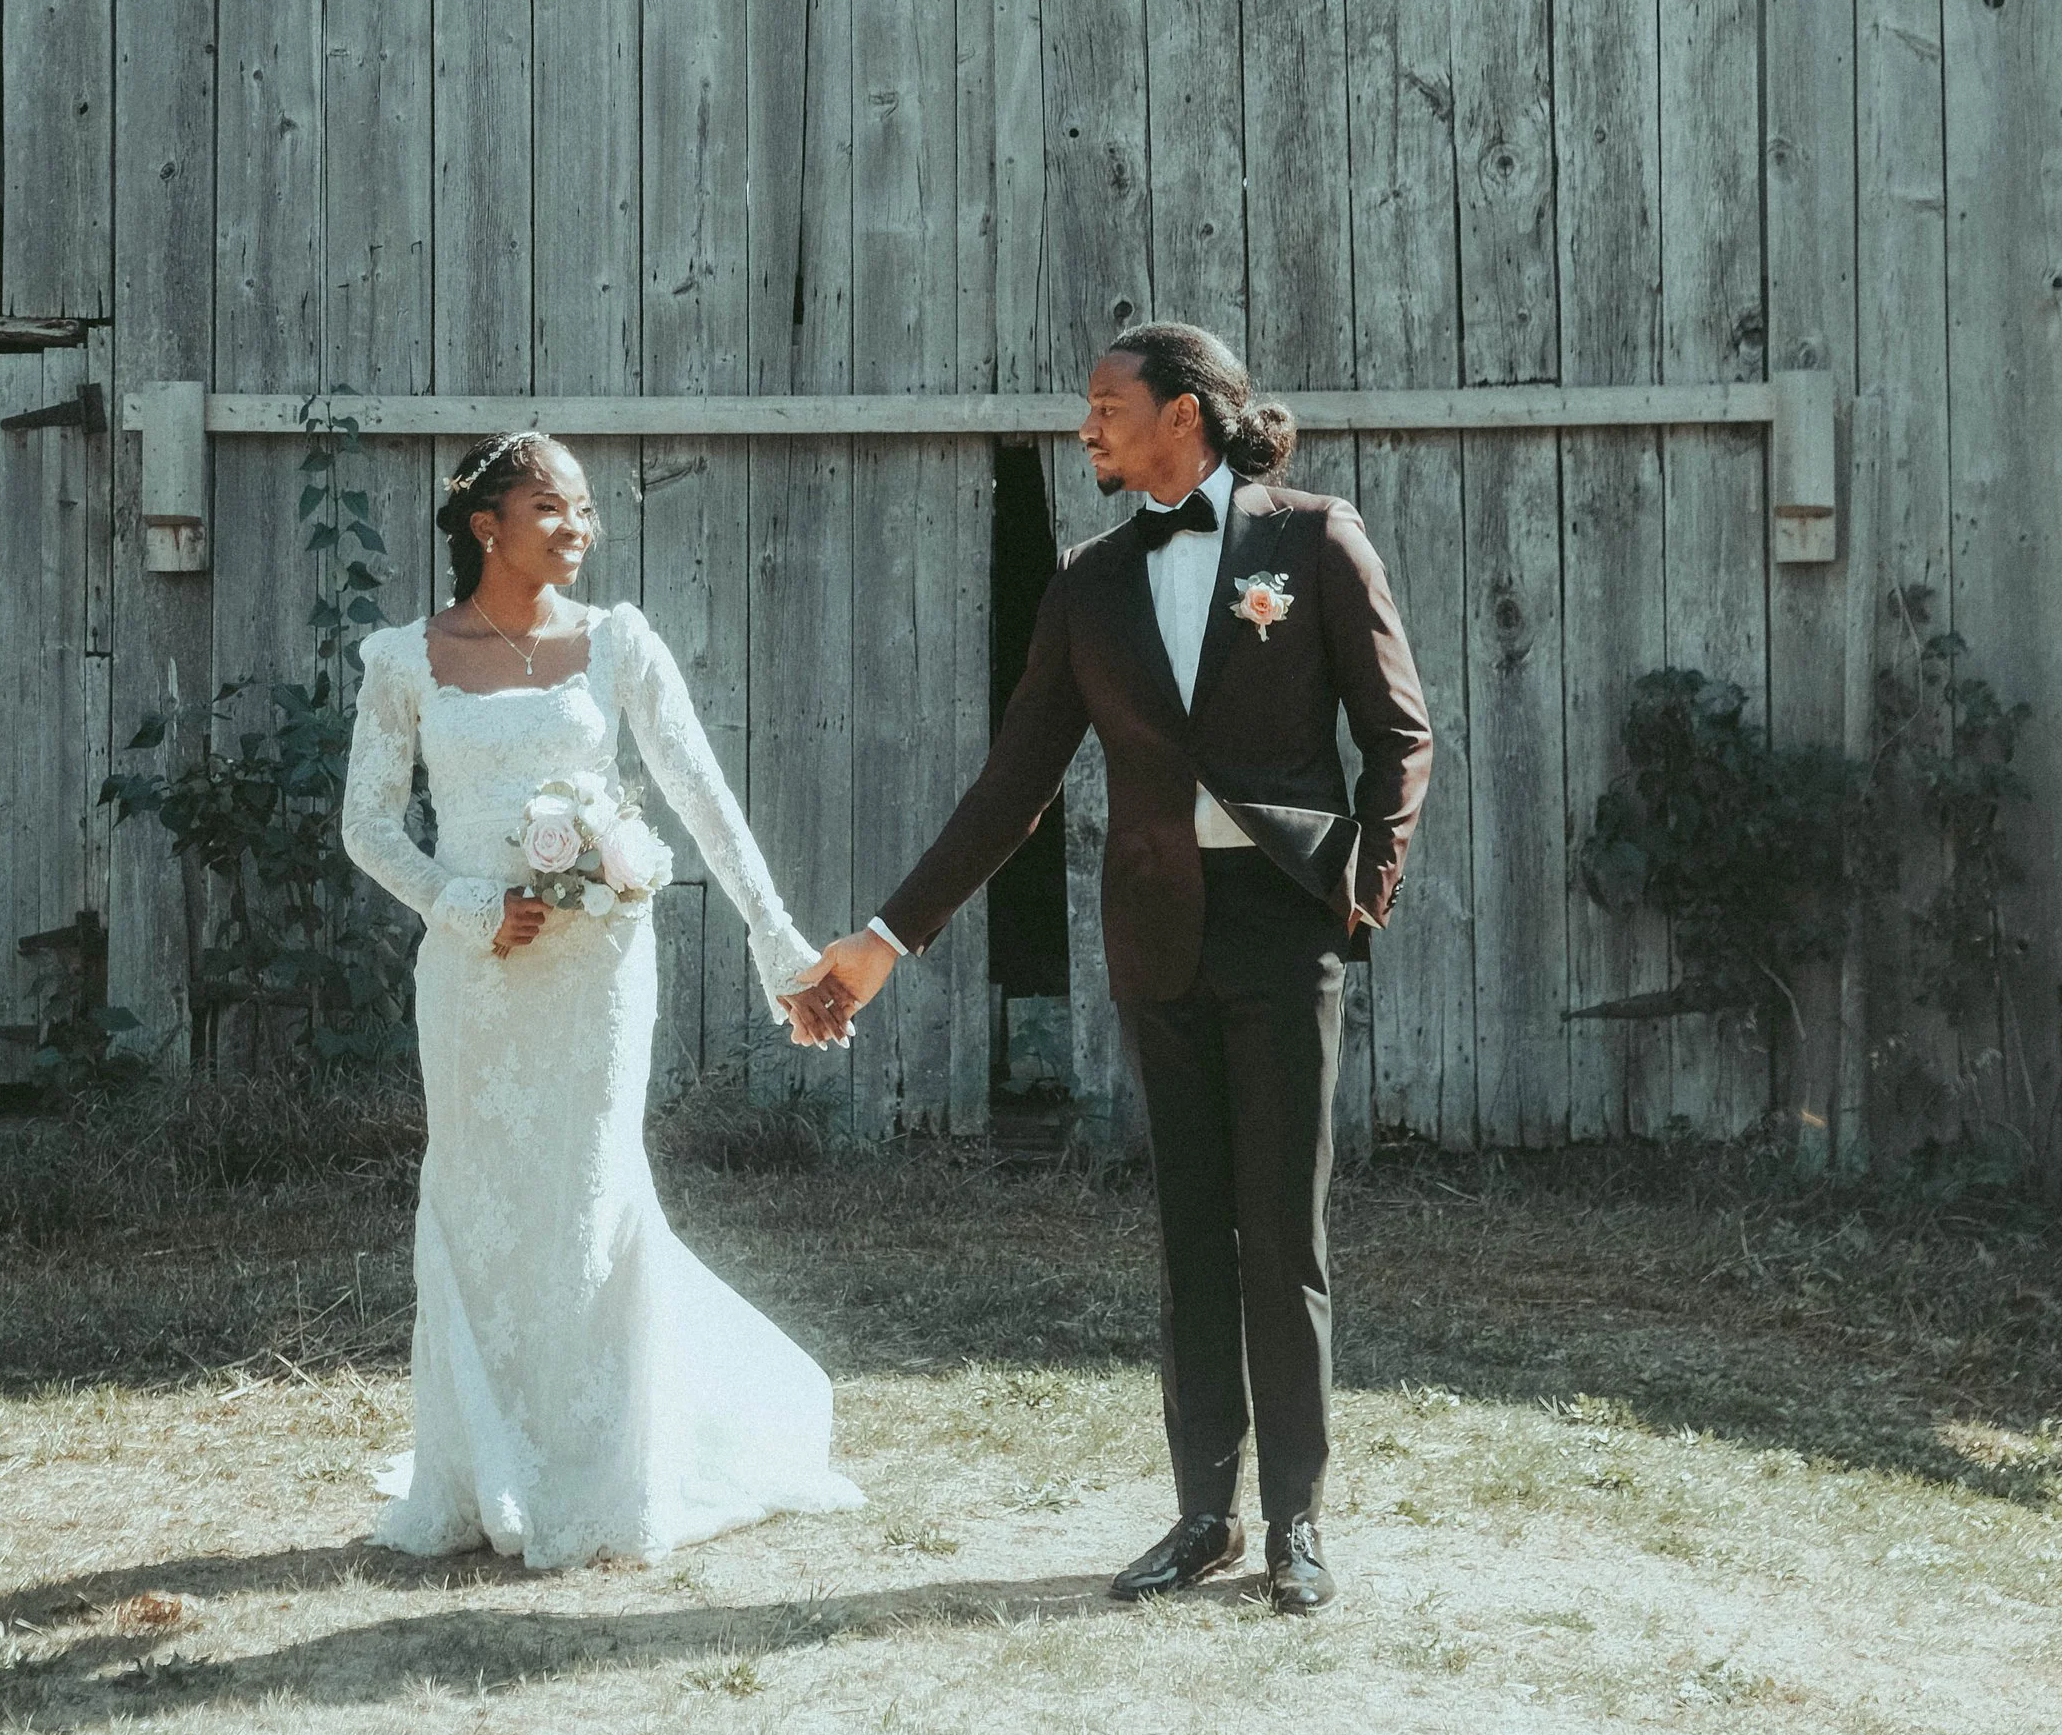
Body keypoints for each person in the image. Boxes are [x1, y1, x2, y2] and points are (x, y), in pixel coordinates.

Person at [797, 322, 1431, 1614]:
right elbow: (1009, 790)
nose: (1085, 424)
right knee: (1192, 1236)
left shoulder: (1313, 539)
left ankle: (1294, 1524)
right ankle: (1204, 1513)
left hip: (1284, 925)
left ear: (1184, 417)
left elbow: (1399, 734)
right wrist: (883, 939)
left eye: (1106, 403)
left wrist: (1359, 891)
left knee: (1283, 1239)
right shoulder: (1087, 584)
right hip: (1159, 938)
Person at [341, 429, 861, 1569]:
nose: (579, 529)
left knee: (587, 1195)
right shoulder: (404, 660)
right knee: (477, 1202)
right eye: (554, 510)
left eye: (585, 511)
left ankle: (599, 1466)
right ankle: (483, 1466)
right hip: (477, 975)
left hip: (598, 971)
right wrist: (467, 902)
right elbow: (369, 826)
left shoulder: (616, 644)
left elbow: (703, 800)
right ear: (487, 524)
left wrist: (784, 952)